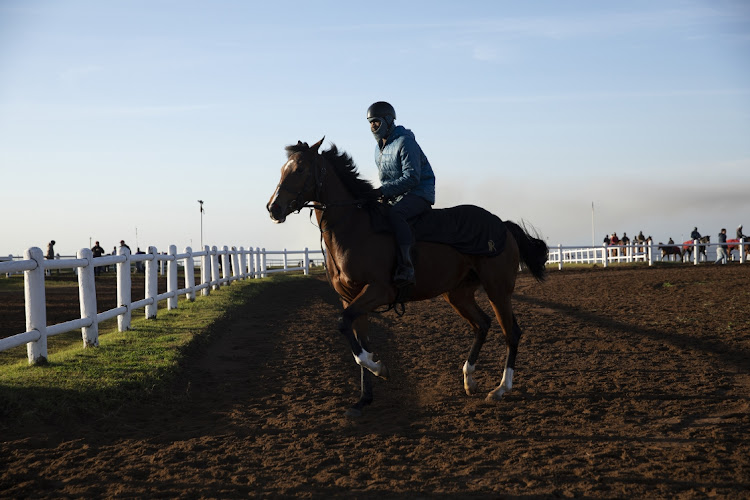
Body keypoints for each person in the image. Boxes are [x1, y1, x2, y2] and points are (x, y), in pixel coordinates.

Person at [367, 101, 435, 287]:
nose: (373, 126)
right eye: (371, 122)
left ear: (388, 120)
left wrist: (383, 191)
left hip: (419, 193)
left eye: (376, 121)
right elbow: (387, 180)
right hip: (396, 196)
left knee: (396, 214)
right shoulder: (378, 149)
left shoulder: (405, 142)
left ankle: (407, 267)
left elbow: (412, 177)